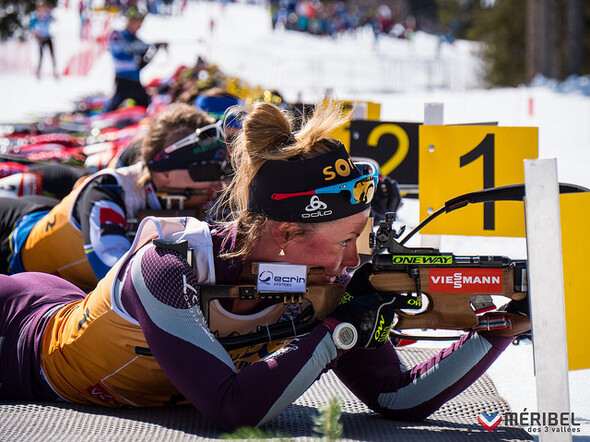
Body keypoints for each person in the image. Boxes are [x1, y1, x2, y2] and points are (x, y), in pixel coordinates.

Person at [0, 102, 530, 432]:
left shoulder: (325, 283)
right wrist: (335, 333)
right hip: (18, 336)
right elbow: (232, 410)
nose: (356, 258)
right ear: (284, 233)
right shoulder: (171, 269)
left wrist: (499, 329)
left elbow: (396, 397)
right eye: (347, 240)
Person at [0, 103, 228, 291]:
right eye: (205, 172)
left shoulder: (195, 200)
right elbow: (119, 279)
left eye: (220, 172)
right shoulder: (108, 193)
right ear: (165, 172)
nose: (216, 184)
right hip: (11, 240)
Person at [103, 6, 154, 113]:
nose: (140, 25)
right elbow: (118, 50)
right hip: (123, 79)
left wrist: (154, 49)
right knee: (112, 106)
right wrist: (140, 47)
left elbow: (140, 63)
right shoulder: (118, 35)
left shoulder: (138, 40)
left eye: (141, 22)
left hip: (135, 80)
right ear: (130, 21)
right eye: (137, 21)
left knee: (145, 104)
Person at [30, 1, 58, 79]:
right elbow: (32, 27)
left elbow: (55, 20)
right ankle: (38, 73)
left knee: (52, 55)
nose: (43, 9)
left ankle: (55, 72)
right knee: (41, 56)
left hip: (48, 37)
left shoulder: (48, 15)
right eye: (42, 7)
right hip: (41, 38)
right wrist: (35, 35)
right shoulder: (35, 16)